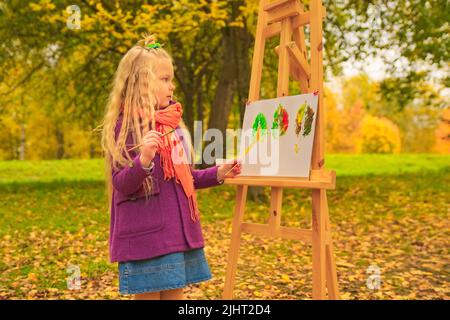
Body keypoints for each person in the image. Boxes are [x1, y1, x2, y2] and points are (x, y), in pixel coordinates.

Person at [101, 35, 240, 300]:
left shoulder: (173, 126)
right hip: (147, 240)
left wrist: (218, 174)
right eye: (164, 79)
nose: (171, 86)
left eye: (171, 79)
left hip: (176, 236)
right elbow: (121, 183)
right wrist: (143, 161)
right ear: (141, 84)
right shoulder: (125, 127)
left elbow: (184, 177)